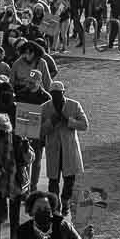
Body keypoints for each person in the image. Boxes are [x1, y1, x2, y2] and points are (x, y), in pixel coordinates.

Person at [39, 80, 90, 211]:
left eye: (59, 93)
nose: (57, 96)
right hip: (53, 148)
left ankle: (65, 200)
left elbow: (84, 125)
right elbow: (39, 131)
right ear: (50, 93)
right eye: (54, 94)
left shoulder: (74, 105)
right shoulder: (44, 108)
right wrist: (51, 122)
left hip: (69, 148)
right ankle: (55, 204)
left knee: (69, 178)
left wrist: (68, 121)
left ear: (64, 92)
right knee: (53, 179)